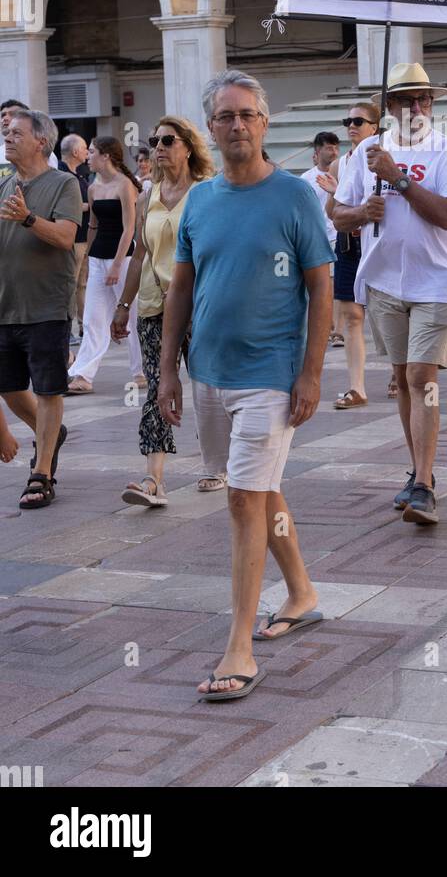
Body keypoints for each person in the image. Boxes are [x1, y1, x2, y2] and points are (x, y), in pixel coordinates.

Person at [158, 70, 334, 700]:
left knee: (241, 501)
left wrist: (311, 373)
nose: (237, 125)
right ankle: (302, 591)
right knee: (259, 490)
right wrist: (166, 372)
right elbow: (182, 287)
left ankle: (238, 646)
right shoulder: (199, 201)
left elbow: (320, 287)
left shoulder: (294, 197)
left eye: (248, 115)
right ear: (211, 126)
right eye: (225, 115)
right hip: (209, 372)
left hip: (270, 376)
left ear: (264, 124)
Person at [332, 63, 447, 528]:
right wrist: (359, 211)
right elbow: (336, 213)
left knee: (423, 375)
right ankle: (418, 470)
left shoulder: (446, 148)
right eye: (406, 99)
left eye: (423, 99)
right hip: (384, 279)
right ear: (389, 107)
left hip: (433, 281)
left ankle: (425, 483)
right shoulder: (367, 150)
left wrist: (399, 179)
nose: (416, 107)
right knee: (404, 377)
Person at [111, 117, 215, 507]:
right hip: (155, 307)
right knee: (157, 387)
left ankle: (216, 465)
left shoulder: (208, 193)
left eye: (168, 140)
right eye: (155, 140)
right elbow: (140, 254)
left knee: (208, 386)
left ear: (188, 146)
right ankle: (153, 480)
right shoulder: (146, 195)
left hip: (201, 304)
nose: (158, 147)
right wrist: (124, 305)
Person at [0, 108, 80, 508]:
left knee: (48, 389)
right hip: (5, 305)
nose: (8, 137)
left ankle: (42, 472)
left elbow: (66, 237)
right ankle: (51, 433)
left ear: (41, 141)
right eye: (7, 132)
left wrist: (29, 218)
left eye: (17, 133)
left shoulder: (64, 183)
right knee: (11, 388)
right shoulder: (3, 184)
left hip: (47, 304)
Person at [67, 137, 144, 396]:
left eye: (91, 152)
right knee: (92, 318)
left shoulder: (125, 186)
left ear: (106, 156)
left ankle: (140, 370)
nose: (87, 156)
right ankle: (83, 375)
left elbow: (129, 228)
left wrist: (117, 264)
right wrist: (89, 258)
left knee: (130, 315)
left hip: (122, 259)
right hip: (99, 258)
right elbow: (93, 226)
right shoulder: (92, 186)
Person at [320, 103, 380, 409]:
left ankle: (400, 374)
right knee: (353, 316)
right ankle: (357, 387)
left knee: (386, 314)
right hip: (348, 243)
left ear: (375, 127)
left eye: (359, 120)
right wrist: (334, 191)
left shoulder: (383, 157)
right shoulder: (339, 165)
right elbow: (333, 214)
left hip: (378, 242)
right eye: (348, 121)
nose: (352, 126)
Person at [301, 131, 341, 348]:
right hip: (316, 237)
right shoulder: (306, 179)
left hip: (337, 234)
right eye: (328, 147)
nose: (333, 151)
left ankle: (335, 329)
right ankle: (327, 326)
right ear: (317, 152)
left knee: (335, 284)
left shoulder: (343, 173)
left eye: (336, 147)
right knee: (319, 284)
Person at [58, 133, 90, 346]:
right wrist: (89, 206)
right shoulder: (60, 174)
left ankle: (84, 327)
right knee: (70, 283)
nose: (88, 152)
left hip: (85, 237)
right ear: (76, 152)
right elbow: (62, 206)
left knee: (82, 284)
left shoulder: (78, 175)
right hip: (73, 238)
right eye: (86, 148)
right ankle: (67, 330)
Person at [0, 99, 59, 177]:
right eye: (3, 115)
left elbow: (50, 182)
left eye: (13, 114)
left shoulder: (43, 152)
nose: (5, 118)